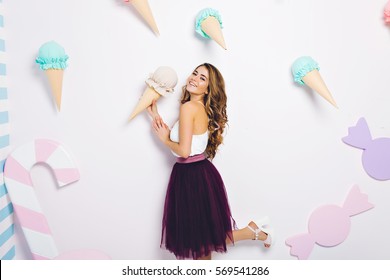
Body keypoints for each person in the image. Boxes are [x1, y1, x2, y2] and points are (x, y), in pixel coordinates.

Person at [148, 63, 273, 260]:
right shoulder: (197, 108)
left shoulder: (189, 107)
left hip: (193, 177)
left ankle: (250, 232)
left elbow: (184, 150)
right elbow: (186, 142)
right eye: (195, 73)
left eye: (202, 78)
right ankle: (250, 231)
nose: (194, 78)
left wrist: (164, 140)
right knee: (201, 243)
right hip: (195, 173)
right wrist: (156, 116)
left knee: (200, 243)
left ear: (208, 89)